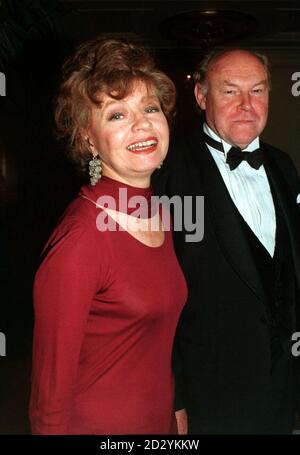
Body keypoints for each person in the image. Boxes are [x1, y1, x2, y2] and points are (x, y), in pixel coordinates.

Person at [29, 37, 187, 435]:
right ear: (87, 139)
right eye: (117, 115)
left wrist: (175, 410)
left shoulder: (158, 212)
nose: (143, 124)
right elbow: (49, 397)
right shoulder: (80, 241)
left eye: (150, 108)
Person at [153, 49, 300, 434]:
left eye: (258, 90)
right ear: (202, 97)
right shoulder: (169, 174)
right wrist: (175, 396)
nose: (247, 106)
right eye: (230, 91)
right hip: (211, 392)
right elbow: (154, 298)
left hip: (281, 386)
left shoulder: (285, 166)